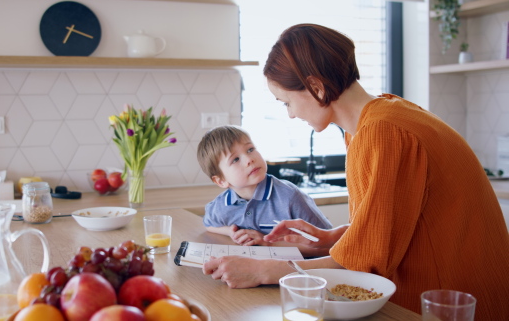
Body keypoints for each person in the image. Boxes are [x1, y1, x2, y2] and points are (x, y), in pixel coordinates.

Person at [202, 24, 509, 319]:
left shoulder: (384, 132)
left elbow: (366, 266)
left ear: (315, 87)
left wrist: (262, 270)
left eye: (287, 102)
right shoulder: (372, 122)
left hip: (450, 305)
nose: (292, 114)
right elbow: (399, 224)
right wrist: (332, 238)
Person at [197, 125, 332, 252]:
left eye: (250, 149)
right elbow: (209, 224)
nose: (249, 159)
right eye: (236, 159)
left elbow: (328, 243)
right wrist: (231, 232)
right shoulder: (221, 205)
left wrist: (269, 242)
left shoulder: (290, 197)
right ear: (221, 181)